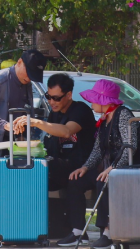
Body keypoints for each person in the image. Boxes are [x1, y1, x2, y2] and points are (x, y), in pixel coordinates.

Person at [0, 49, 48, 244]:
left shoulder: (26, 82)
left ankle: (8, 227)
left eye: (33, 76)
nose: (29, 79)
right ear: (19, 63)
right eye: (28, 73)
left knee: (8, 181)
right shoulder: (0, 79)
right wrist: (5, 125)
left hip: (12, 138)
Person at [13, 73, 96, 247]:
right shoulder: (54, 114)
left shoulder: (80, 110)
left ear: (69, 95)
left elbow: (66, 131)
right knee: (30, 173)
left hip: (84, 166)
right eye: (48, 97)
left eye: (56, 98)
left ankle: (78, 232)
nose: (52, 102)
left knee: (70, 178)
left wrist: (35, 122)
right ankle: (25, 227)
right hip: (60, 165)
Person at [67, 79, 140, 248]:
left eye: (94, 99)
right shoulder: (104, 119)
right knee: (76, 180)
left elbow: (131, 146)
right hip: (110, 168)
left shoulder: (123, 115)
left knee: (103, 180)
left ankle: (108, 232)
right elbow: (98, 150)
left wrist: (112, 168)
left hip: (128, 168)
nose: (91, 103)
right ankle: (78, 230)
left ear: (104, 100)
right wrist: (85, 167)